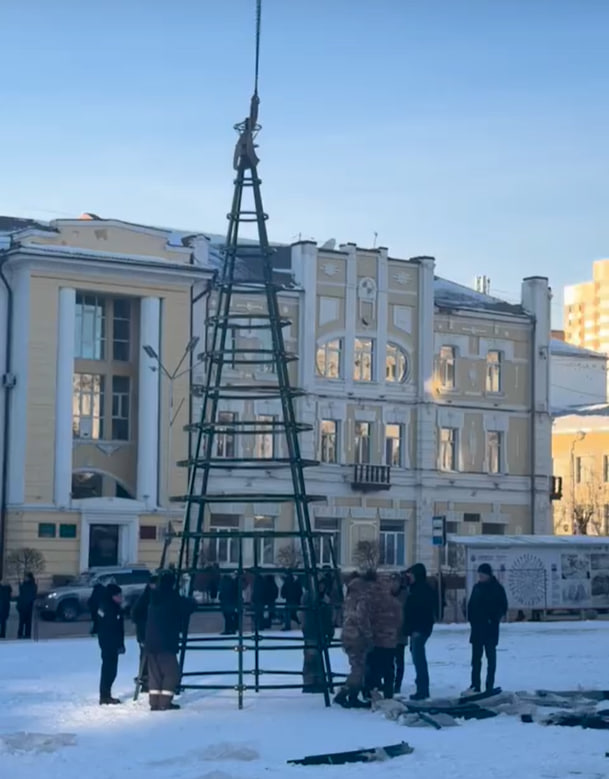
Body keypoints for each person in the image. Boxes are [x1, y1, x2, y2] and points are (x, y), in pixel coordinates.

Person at [145, 571, 195, 711]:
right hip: (165, 642)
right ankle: (164, 702)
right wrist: (192, 601)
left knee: (155, 674)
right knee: (172, 673)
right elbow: (186, 607)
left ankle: (154, 702)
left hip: (150, 642)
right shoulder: (172, 597)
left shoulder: (154, 596)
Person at [465, 563, 508, 694]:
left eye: (482, 575)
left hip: (490, 629)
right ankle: (475, 685)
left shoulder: (497, 588)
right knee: (476, 660)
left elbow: (503, 606)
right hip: (477, 629)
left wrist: (494, 618)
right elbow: (471, 605)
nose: (480, 577)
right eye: (479, 575)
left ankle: (489, 685)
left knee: (491, 659)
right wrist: (471, 618)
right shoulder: (477, 588)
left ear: (488, 575)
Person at [333, 574, 372, 709]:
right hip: (357, 637)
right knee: (358, 668)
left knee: (356, 666)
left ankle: (351, 695)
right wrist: (368, 635)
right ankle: (346, 693)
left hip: (347, 636)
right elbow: (362, 619)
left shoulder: (349, 599)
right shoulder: (361, 600)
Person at [366, 572, 402, 700]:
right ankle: (388, 693)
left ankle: (371, 692)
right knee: (389, 668)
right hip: (390, 641)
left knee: (374, 667)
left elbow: (367, 619)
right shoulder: (395, 603)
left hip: (375, 640)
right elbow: (399, 620)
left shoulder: (372, 602)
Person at [403, 563, 436, 701]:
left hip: (419, 630)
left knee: (419, 660)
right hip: (417, 630)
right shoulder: (416, 589)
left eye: (411, 575)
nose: (409, 577)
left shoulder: (421, 591)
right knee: (418, 659)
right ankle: (422, 688)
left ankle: (422, 689)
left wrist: (418, 629)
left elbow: (423, 613)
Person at [300, 577, 335, 693]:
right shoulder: (310, 597)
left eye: (323, 584)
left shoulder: (324, 598)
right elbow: (307, 616)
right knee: (311, 657)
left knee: (319, 658)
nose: (321, 587)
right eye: (319, 584)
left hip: (320, 631)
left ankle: (318, 681)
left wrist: (329, 631)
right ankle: (310, 683)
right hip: (312, 631)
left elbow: (329, 616)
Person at [97, 583, 125, 705]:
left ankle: (106, 694)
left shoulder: (108, 606)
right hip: (109, 643)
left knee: (109, 669)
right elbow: (113, 628)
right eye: (119, 595)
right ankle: (105, 696)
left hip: (107, 642)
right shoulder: (110, 608)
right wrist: (118, 644)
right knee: (110, 670)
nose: (121, 598)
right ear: (112, 596)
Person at [132, 575, 158, 693]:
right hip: (145, 634)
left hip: (153, 634)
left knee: (154, 658)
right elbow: (135, 615)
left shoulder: (154, 597)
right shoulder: (145, 598)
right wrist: (142, 634)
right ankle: (145, 682)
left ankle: (152, 681)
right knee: (145, 659)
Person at [390, 572, 409, 694]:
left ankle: (398, 684)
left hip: (401, 633)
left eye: (395, 581)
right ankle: (389, 683)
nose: (393, 584)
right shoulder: (386, 595)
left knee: (399, 661)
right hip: (388, 634)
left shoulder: (405, 595)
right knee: (389, 661)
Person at [17, 572, 37, 639]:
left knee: (28, 622)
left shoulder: (32, 586)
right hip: (22, 606)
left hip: (28, 606)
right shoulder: (23, 585)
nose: (24, 578)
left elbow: (32, 596)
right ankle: (20, 634)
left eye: (26, 577)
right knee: (21, 622)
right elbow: (21, 595)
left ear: (29, 578)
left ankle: (27, 635)